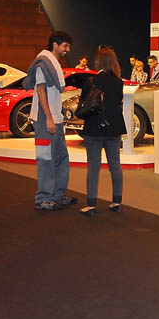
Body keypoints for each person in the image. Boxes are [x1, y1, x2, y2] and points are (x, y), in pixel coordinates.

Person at [25, 31, 77, 210]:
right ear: (55, 44)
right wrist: (48, 118)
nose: (67, 50)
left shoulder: (53, 63)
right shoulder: (42, 63)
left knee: (61, 157)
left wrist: (55, 118)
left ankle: (57, 195)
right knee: (45, 158)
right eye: (65, 46)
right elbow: (41, 91)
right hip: (44, 120)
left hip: (56, 119)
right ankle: (43, 198)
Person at [79, 47, 127, 216]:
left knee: (93, 166)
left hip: (93, 129)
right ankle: (117, 201)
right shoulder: (119, 82)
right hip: (113, 129)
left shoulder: (91, 81)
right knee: (115, 165)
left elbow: (83, 103)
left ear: (98, 62)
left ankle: (91, 205)